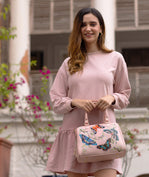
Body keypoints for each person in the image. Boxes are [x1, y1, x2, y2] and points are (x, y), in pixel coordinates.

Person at [46, 7, 131, 177]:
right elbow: (56, 101)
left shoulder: (115, 58)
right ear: (78, 29)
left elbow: (125, 94)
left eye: (93, 24)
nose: (88, 28)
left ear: (101, 28)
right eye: (83, 25)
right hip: (75, 134)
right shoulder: (69, 63)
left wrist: (111, 98)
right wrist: (74, 102)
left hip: (105, 136)